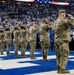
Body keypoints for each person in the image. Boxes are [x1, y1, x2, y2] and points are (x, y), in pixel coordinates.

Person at [53, 10, 74, 74]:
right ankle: (62, 68)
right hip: (63, 40)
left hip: (57, 40)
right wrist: (72, 17)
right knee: (64, 54)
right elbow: (72, 23)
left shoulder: (55, 22)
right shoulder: (63, 21)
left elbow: (53, 31)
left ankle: (59, 68)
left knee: (58, 55)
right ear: (63, 14)